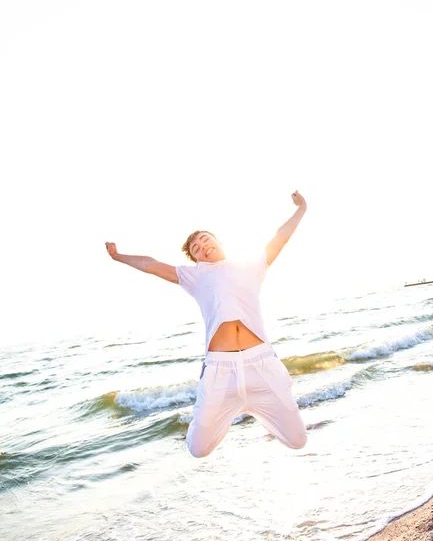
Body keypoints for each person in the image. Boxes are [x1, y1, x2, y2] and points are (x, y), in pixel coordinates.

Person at [105, 190, 308, 457]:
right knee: (198, 450)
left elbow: (281, 236)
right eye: (196, 249)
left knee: (298, 441)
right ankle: (218, 415)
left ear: (218, 240)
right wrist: (118, 256)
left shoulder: (251, 263)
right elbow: (150, 264)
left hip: (262, 365)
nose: (202, 247)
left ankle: (255, 411)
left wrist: (301, 208)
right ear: (195, 259)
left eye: (205, 240)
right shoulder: (195, 276)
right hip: (219, 371)